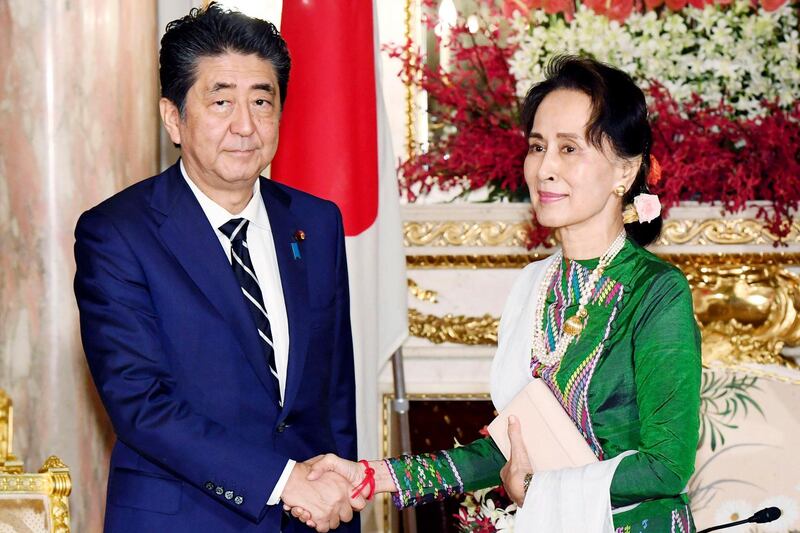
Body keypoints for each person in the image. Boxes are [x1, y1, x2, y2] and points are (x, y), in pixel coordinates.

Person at [293, 56, 702, 532]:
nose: (545, 168)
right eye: (537, 146)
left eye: (569, 149)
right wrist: (370, 476)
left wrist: (536, 488)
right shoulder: (534, 284)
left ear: (625, 172)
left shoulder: (656, 291)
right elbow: (507, 449)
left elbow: (666, 467)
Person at [74, 4, 362, 532]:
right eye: (221, 100)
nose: (245, 126)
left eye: (261, 100)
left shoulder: (316, 224)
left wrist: (338, 508)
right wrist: (284, 480)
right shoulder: (117, 233)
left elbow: (334, 398)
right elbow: (142, 404)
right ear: (173, 118)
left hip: (309, 520)